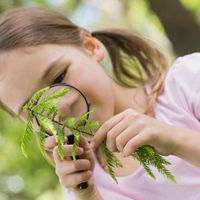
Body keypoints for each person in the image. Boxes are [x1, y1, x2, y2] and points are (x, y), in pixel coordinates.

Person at [0, 6, 200, 200]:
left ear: (90, 47)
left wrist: (174, 139)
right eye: (35, 108)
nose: (60, 107)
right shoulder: (86, 185)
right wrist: (87, 196)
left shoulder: (187, 82)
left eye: (59, 76)